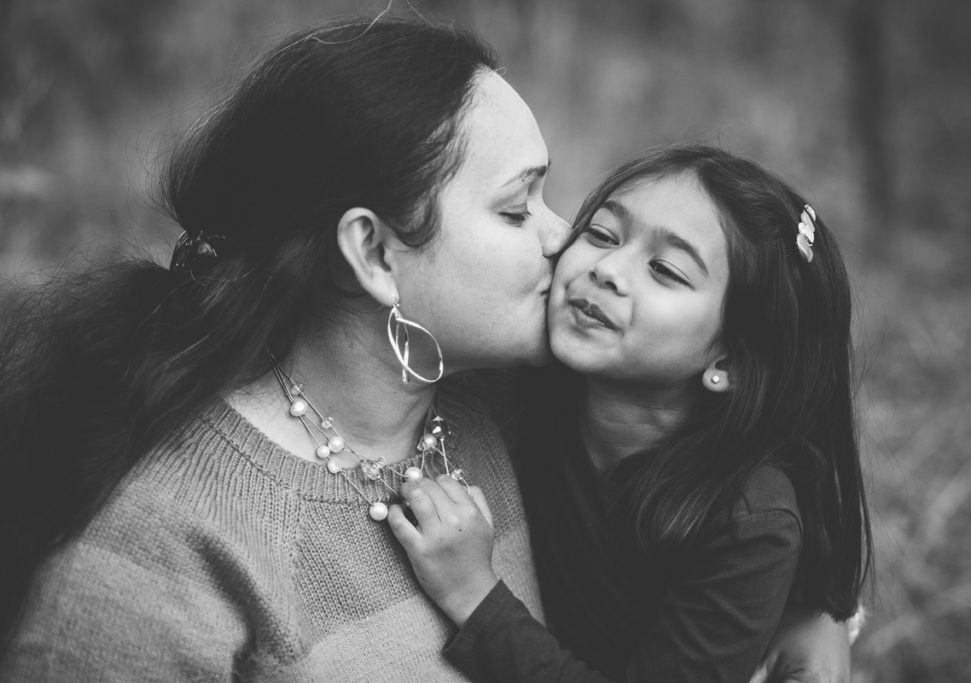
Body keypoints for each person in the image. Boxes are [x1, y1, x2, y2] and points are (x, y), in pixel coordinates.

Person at [0, 14, 851, 681]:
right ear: (373, 254)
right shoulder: (151, 558)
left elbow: (763, 444)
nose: (569, 245)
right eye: (520, 209)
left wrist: (815, 611)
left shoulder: (494, 411)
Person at [388, 145, 872, 682]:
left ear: (728, 360)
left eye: (665, 270)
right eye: (601, 234)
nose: (607, 270)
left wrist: (474, 596)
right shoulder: (519, 384)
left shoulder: (746, 520)